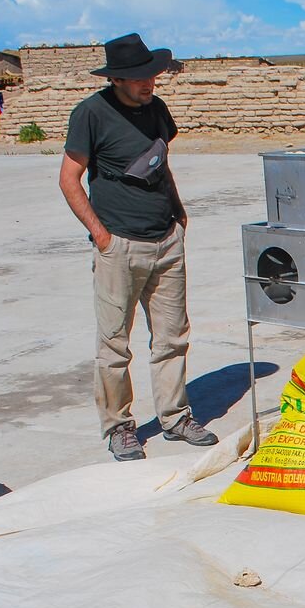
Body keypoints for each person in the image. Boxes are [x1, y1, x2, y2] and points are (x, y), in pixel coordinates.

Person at [57, 32, 217, 461]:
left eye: (152, 75)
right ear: (118, 80)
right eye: (140, 78)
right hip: (120, 245)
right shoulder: (90, 114)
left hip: (166, 239)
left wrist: (179, 215)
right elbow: (69, 179)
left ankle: (175, 416)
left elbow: (159, 164)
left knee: (172, 337)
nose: (150, 83)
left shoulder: (157, 109)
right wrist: (101, 235)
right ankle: (119, 427)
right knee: (113, 344)